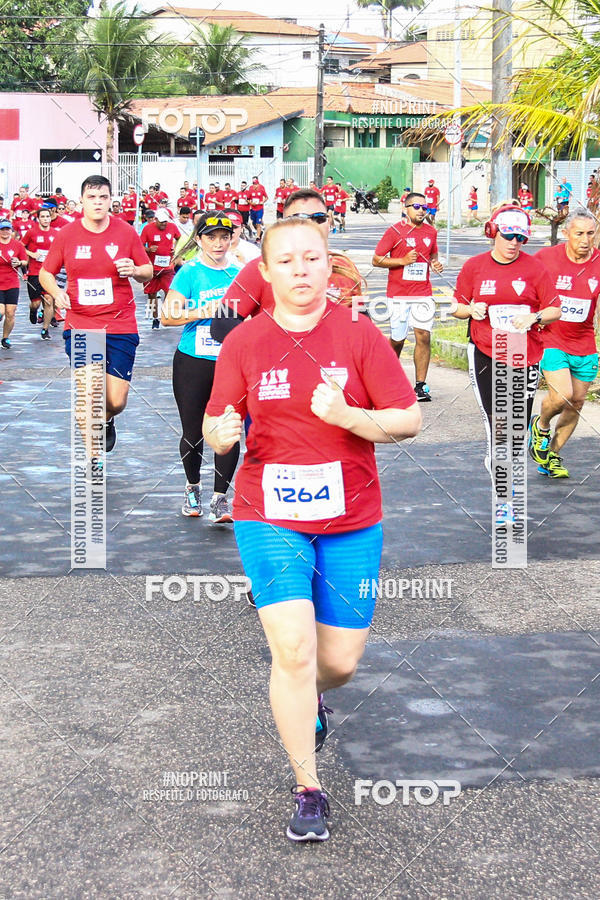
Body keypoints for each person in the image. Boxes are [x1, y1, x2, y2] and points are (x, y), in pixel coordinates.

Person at [203, 217, 421, 842]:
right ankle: (308, 788)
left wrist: (352, 415)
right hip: (268, 513)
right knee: (293, 651)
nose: (301, 270)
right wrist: (221, 433)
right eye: (287, 261)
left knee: (341, 662)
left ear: (330, 267)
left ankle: (312, 699)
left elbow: (408, 421)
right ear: (265, 273)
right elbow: (219, 421)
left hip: (352, 518)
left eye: (313, 258)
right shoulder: (244, 342)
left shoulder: (358, 334)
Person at [452, 205, 560, 523]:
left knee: (516, 432)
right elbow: (457, 305)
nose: (514, 242)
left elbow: (555, 308)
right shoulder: (474, 267)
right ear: (494, 232)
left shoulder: (535, 268)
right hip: (486, 351)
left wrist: (534, 316)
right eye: (509, 235)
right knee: (499, 429)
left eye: (521, 237)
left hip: (523, 353)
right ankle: (504, 501)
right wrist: (471, 310)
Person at [40, 175, 152, 461]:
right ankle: (93, 458)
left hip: (120, 322)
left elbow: (148, 271)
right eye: (92, 197)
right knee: (88, 393)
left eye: (103, 197)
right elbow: (46, 272)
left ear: (110, 200)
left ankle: (108, 419)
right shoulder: (67, 234)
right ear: (82, 202)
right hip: (81, 322)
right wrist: (57, 292)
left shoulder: (126, 232)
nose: (98, 202)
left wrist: (134, 270)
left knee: (115, 400)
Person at [161, 213, 241, 521]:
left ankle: (221, 498)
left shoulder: (239, 272)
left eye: (224, 237)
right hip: (193, 361)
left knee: (229, 429)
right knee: (193, 431)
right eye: (211, 237)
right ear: (198, 240)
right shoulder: (190, 273)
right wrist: (203, 310)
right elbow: (167, 315)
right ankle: (193, 487)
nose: (218, 243)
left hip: (231, 362)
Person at [215, 188, 364, 334]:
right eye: (300, 218)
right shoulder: (262, 268)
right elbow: (221, 323)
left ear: (329, 222)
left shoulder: (344, 266)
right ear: (283, 224)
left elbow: (361, 319)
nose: (311, 225)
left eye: (319, 218)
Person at [528, 209, 600, 477]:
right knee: (563, 396)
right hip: (551, 338)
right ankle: (542, 425)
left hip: (584, 343)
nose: (585, 240)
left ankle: (551, 458)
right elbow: (524, 282)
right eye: (579, 233)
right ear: (567, 233)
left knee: (578, 402)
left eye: (590, 233)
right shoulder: (546, 258)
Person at [372, 192, 444, 401]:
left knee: (423, 335)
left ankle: (420, 386)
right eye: (416, 206)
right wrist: (402, 261)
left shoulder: (431, 232)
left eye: (424, 207)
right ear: (406, 208)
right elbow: (377, 259)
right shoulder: (395, 231)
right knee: (398, 339)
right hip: (398, 294)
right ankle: (384, 378)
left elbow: (433, 256)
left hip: (423, 293)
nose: (421, 210)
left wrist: (436, 264)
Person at [141, 207, 180, 329]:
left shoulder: (172, 227)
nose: (164, 224)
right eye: (161, 221)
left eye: (165, 222)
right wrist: (148, 249)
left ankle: (166, 314)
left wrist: (176, 248)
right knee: (152, 294)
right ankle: (155, 318)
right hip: (152, 268)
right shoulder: (147, 228)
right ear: (155, 220)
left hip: (167, 267)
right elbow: (139, 245)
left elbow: (179, 238)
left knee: (170, 292)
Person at [22, 206, 56, 339]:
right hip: (35, 272)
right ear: (38, 219)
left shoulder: (55, 233)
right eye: (43, 217)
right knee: (36, 302)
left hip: (49, 272)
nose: (46, 219)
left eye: (47, 216)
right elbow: (21, 246)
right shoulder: (31, 232)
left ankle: (45, 329)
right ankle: (33, 310)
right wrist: (32, 254)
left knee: (48, 300)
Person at [0, 218, 28, 349]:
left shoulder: (17, 245)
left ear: (11, 231)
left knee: (10, 313)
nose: (5, 232)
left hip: (12, 283)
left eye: (7, 229)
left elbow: (25, 261)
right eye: (2, 229)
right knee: (1, 311)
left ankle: (5, 338)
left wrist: (19, 262)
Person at [247, 176, 268, 242]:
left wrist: (263, 202)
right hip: (253, 209)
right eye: (253, 184)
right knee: (254, 223)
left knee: (258, 223)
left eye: (256, 184)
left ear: (258, 184)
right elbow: (247, 199)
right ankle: (260, 232)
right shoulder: (250, 190)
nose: (255, 186)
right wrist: (251, 203)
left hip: (260, 209)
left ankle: (258, 237)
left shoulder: (261, 189)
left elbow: (266, 197)